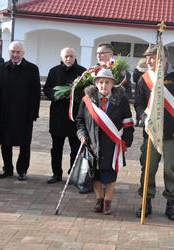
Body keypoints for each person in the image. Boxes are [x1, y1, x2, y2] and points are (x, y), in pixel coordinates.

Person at [134, 44, 174, 220]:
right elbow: (138, 103)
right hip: (152, 134)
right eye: (147, 57)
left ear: (165, 57)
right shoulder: (144, 78)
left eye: (153, 57)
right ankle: (146, 202)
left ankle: (171, 204)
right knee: (148, 170)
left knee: (172, 170)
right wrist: (142, 117)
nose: (149, 60)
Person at [76, 68, 134, 215]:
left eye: (107, 82)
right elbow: (80, 121)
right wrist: (82, 135)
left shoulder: (122, 100)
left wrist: (126, 142)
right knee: (95, 173)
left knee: (110, 174)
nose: (104, 85)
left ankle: (107, 202)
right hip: (93, 144)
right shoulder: (87, 101)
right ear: (96, 84)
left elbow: (128, 123)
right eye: (100, 82)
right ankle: (99, 199)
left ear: (113, 84)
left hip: (113, 144)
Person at [0, 41, 41, 181]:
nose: (15, 55)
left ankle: (22, 170)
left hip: (24, 113)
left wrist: (34, 113)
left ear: (23, 53)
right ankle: (7, 169)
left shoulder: (32, 69)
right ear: (9, 52)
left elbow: (36, 93)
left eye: (18, 52)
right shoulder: (1, 68)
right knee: (5, 142)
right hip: (5, 113)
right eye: (12, 52)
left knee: (24, 143)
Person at [43, 48, 86, 184]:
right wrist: (56, 95)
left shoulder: (82, 72)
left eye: (71, 56)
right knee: (56, 148)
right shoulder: (54, 71)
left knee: (75, 148)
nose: (69, 59)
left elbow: (86, 91)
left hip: (75, 117)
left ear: (75, 57)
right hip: (57, 116)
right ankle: (56, 174)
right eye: (66, 56)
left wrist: (76, 96)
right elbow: (47, 89)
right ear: (61, 57)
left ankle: (73, 174)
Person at [133, 58, 148, 126]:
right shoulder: (137, 70)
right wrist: (139, 72)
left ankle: (143, 120)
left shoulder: (149, 70)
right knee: (137, 105)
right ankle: (137, 119)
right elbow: (134, 79)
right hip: (138, 90)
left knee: (145, 105)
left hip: (147, 91)